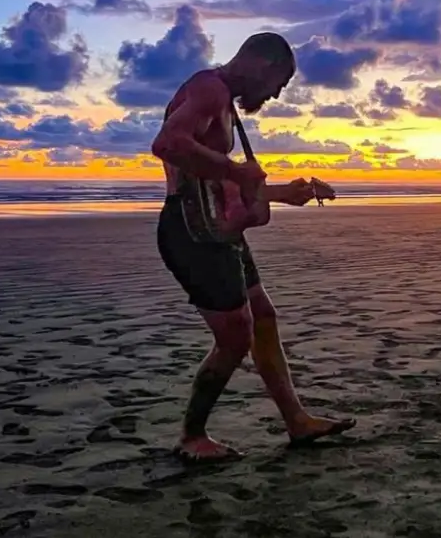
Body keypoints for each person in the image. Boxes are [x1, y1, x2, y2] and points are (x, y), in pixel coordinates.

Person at [151, 32, 356, 462]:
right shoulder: (208, 88)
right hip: (191, 232)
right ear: (262, 65)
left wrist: (281, 192)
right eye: (278, 83)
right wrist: (237, 171)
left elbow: (219, 183)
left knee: (263, 317)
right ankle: (192, 435)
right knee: (234, 337)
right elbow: (167, 145)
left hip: (217, 231)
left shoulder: (224, 102)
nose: (276, 94)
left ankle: (296, 421)